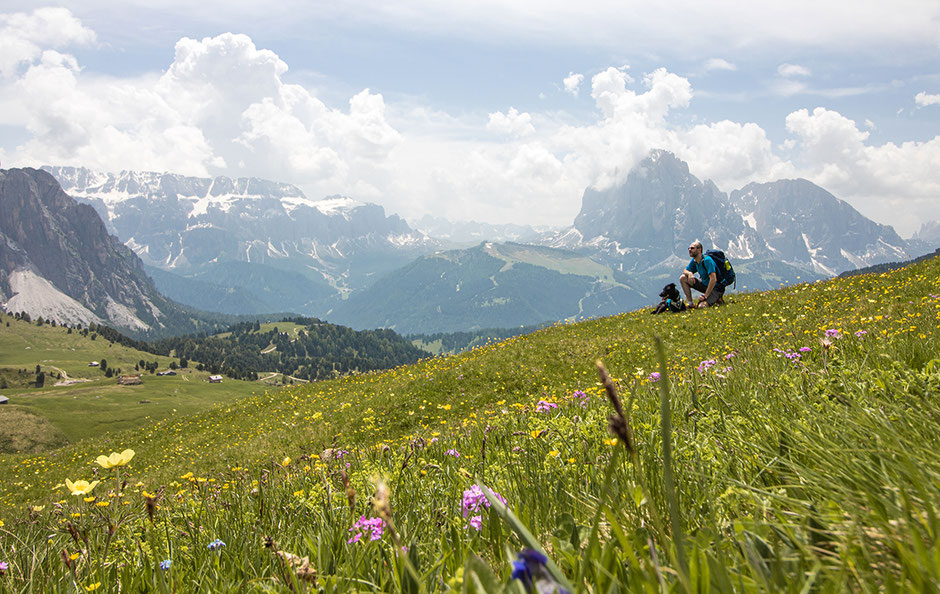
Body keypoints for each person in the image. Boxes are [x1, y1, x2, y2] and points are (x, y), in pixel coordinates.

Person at [680, 240, 724, 309]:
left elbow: (713, 279)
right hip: (705, 286)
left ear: (699, 249)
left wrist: (705, 296)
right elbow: (685, 271)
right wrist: (690, 273)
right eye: (689, 248)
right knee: (683, 278)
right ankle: (691, 304)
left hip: (715, 288)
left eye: (692, 248)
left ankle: (717, 297)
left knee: (701, 307)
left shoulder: (707, 260)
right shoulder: (695, 261)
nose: (689, 250)